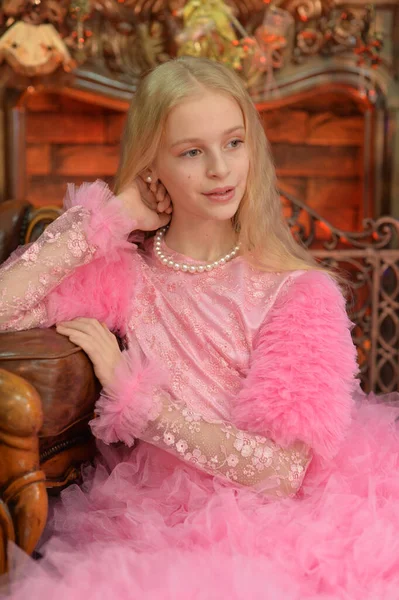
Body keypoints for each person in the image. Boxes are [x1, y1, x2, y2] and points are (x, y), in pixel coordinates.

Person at [1, 56, 399, 600]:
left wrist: (141, 402)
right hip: (143, 519)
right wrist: (110, 218)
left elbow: (284, 472)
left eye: (233, 143)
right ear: (152, 164)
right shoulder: (124, 276)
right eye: (191, 152)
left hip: (275, 525)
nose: (220, 168)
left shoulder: (296, 291)